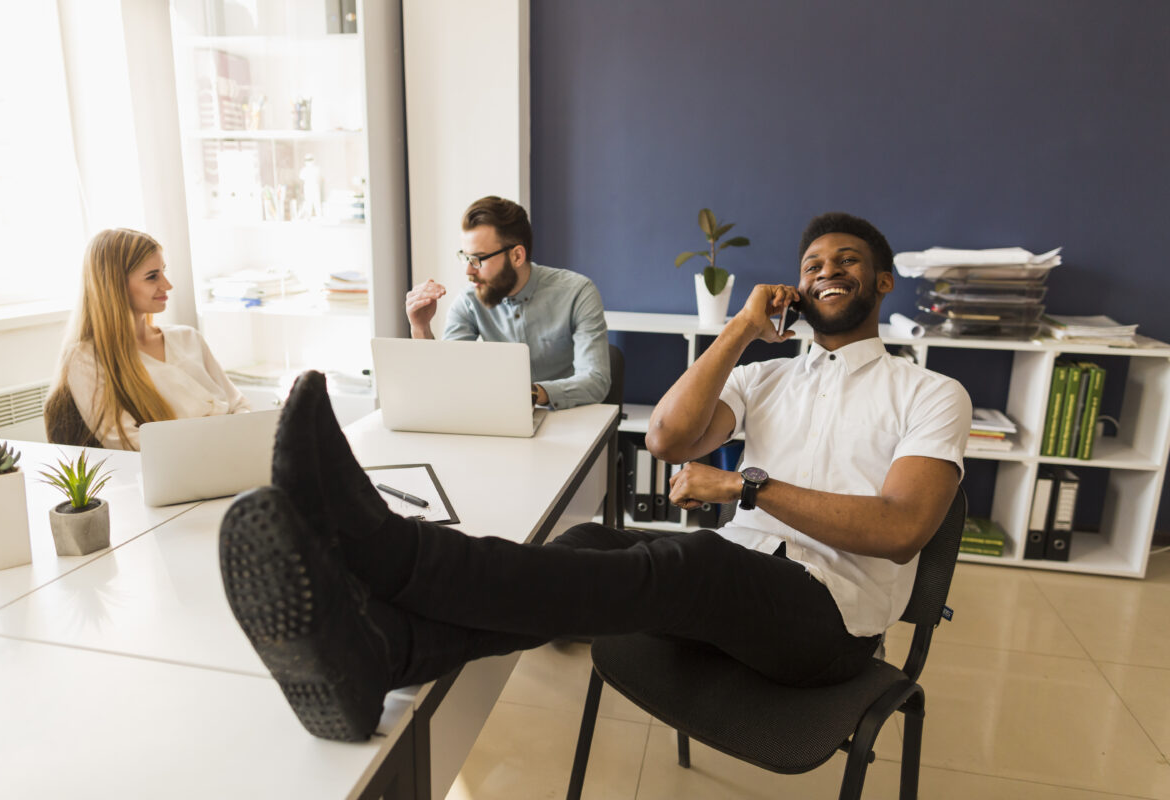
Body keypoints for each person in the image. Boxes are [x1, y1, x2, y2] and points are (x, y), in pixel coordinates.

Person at [219, 212, 971, 742]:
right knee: (586, 538)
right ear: (796, 290)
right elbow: (674, 438)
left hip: (831, 627)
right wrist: (741, 329)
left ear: (882, 286)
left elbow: (902, 531)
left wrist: (746, 488)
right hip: (743, 590)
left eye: (846, 263)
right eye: (813, 265)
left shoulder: (930, 394)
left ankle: (391, 554)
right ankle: (385, 653)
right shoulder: (768, 376)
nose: (827, 272)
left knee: (690, 562)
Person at [44, 228, 251, 450]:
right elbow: (125, 441)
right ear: (114, 285)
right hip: (179, 470)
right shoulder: (86, 358)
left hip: (231, 453)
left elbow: (238, 404)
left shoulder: (188, 338)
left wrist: (239, 439)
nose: (167, 285)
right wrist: (214, 442)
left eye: (163, 272)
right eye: (152, 277)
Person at [404, 195, 610, 409]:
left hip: (567, 419)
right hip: (496, 420)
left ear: (517, 256)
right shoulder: (469, 301)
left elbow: (596, 381)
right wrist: (420, 326)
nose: (468, 271)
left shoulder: (578, 292)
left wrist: (532, 394)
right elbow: (446, 381)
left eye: (478, 259)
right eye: (466, 257)